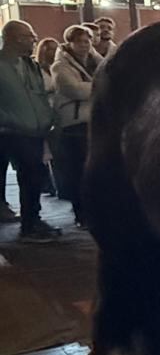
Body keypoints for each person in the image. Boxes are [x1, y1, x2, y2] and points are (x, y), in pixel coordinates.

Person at [0, 20, 60, 241]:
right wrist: (9, 119)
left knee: (34, 176)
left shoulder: (30, 65)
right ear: (15, 39)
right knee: (28, 175)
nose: (34, 40)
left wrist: (47, 118)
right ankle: (29, 226)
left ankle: (33, 220)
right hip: (9, 131)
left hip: (34, 130)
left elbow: (39, 95)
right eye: (30, 37)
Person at [51, 25, 96, 227]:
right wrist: (102, 85)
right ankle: (81, 213)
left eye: (87, 41)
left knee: (93, 170)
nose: (85, 45)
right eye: (79, 41)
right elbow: (74, 89)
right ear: (69, 43)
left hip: (93, 121)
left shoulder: (94, 62)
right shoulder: (60, 66)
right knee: (78, 171)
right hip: (74, 124)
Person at [34, 37, 59, 196]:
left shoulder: (58, 67)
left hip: (59, 111)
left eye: (55, 48)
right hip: (44, 110)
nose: (53, 52)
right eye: (50, 49)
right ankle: (47, 182)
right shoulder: (37, 70)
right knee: (46, 150)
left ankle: (56, 181)